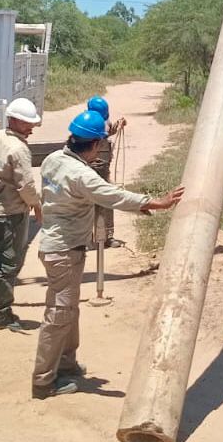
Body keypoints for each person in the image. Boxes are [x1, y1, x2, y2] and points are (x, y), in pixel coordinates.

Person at [32, 110, 184, 399]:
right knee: (59, 315)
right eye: (99, 145)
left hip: (59, 249)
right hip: (63, 252)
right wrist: (156, 203)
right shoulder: (81, 175)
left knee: (69, 311)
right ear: (92, 145)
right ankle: (43, 381)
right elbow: (112, 195)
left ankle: (66, 365)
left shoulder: (54, 160)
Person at [0, 97, 43, 330]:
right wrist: (38, 206)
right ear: (14, 120)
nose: (31, 128)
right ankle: (0, 315)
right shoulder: (19, 149)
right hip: (11, 213)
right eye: (27, 124)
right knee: (9, 264)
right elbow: (26, 186)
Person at [86, 95, 126, 247]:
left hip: (102, 169)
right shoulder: (88, 125)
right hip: (90, 169)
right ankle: (92, 237)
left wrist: (118, 125)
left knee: (104, 201)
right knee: (92, 202)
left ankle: (104, 236)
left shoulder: (101, 122)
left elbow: (108, 131)